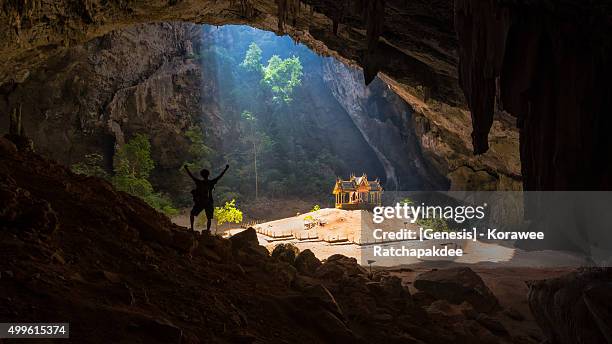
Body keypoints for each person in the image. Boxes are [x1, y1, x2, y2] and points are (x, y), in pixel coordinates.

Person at [184, 164, 229, 232]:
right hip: (208, 202)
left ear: (201, 175)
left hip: (200, 202)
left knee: (192, 214)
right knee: (209, 218)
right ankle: (207, 231)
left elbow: (191, 176)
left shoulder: (199, 182)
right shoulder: (211, 182)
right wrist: (226, 168)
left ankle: (192, 228)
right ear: (208, 174)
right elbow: (220, 176)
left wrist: (186, 168)